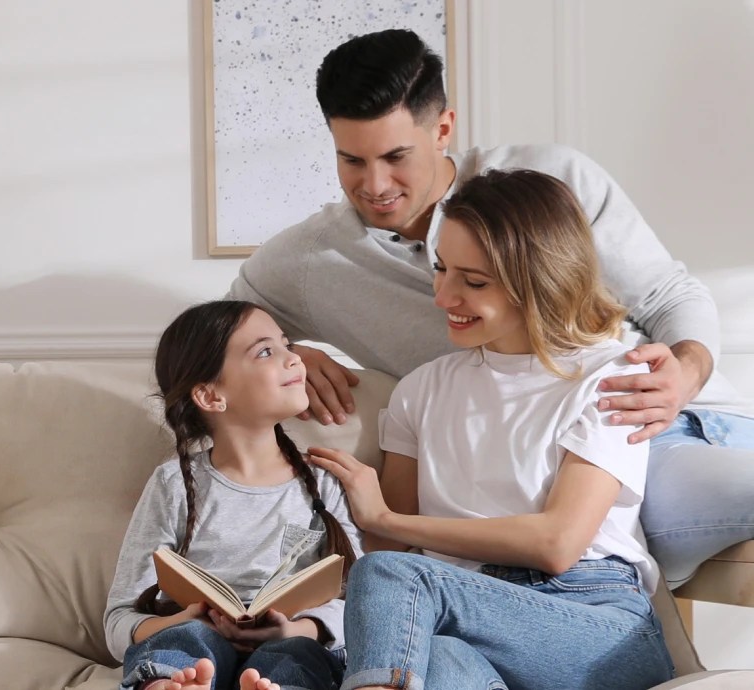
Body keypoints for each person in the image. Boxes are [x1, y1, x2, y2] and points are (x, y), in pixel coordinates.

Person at [227, 28, 754, 587]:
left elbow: (670, 295)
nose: (375, 184)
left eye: (396, 156)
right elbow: (210, 338)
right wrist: (284, 351)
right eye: (351, 159)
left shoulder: (552, 178)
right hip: (556, 469)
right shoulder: (310, 262)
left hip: (651, 421)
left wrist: (685, 374)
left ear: (443, 129)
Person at [306, 168, 675, 689]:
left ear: (539, 280)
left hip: (594, 622)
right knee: (440, 659)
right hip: (466, 621)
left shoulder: (613, 377)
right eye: (441, 269)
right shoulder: (420, 390)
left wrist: (387, 518)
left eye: (474, 282)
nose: (443, 297)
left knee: (391, 579)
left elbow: (558, 542)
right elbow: (390, 548)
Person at [104, 300, 363, 690]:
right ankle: (170, 684)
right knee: (186, 639)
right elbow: (120, 620)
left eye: (286, 344)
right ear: (211, 396)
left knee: (295, 654)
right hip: (197, 644)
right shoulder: (174, 484)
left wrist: (296, 629)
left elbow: (360, 607)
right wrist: (185, 619)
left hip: (291, 642)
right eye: (265, 352)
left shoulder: (325, 482)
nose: (294, 359)